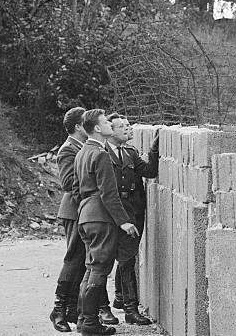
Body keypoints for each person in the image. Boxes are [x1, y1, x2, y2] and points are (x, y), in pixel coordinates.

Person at [73, 109, 139, 336]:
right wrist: (124, 222)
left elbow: (76, 188)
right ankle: (90, 323)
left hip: (86, 215)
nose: (111, 125)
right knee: (100, 269)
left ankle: (84, 319)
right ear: (98, 129)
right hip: (101, 217)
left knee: (91, 269)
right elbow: (109, 193)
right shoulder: (101, 155)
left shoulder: (83, 152)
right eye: (106, 123)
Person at [105, 113, 158, 325]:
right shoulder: (101, 153)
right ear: (111, 131)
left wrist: (154, 149)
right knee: (103, 261)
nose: (128, 130)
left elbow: (149, 171)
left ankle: (126, 305)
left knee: (127, 259)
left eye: (129, 126)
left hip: (132, 211)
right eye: (123, 127)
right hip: (110, 213)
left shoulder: (130, 152)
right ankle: (109, 308)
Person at [50, 107, 88, 332]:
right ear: (77, 126)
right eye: (86, 122)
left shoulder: (83, 147)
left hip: (83, 209)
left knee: (83, 260)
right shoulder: (68, 149)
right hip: (75, 210)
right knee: (73, 259)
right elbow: (67, 183)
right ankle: (59, 309)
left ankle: (72, 308)